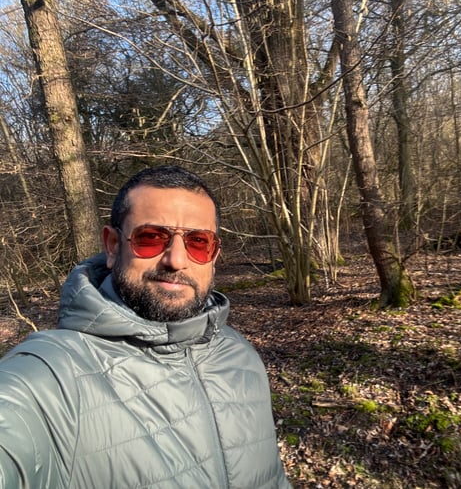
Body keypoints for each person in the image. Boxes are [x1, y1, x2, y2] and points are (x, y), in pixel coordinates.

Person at [0, 165, 290, 488]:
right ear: (112, 246)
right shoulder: (51, 379)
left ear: (214, 256)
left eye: (198, 242)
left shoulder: (241, 357)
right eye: (151, 238)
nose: (176, 260)